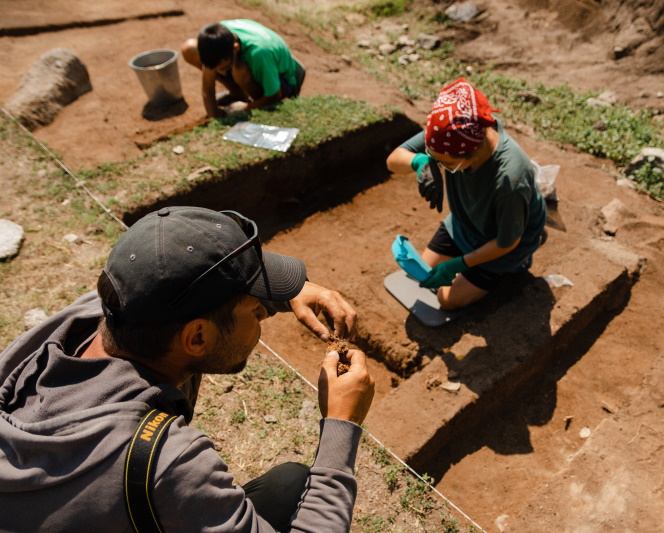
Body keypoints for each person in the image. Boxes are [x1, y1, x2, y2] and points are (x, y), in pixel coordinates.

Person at [0, 206, 374, 532]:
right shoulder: (169, 463)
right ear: (196, 338)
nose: (263, 310)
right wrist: (342, 425)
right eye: (253, 308)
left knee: (289, 483)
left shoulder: (94, 318)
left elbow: (173, 282)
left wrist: (284, 288)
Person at [386, 78, 547, 311]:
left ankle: (520, 259)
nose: (439, 165)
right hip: (466, 222)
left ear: (473, 152)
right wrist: (421, 161)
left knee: (446, 300)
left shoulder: (511, 178)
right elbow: (393, 160)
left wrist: (458, 265)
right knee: (425, 274)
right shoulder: (450, 130)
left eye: (446, 164)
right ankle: (471, 258)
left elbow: (506, 242)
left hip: (507, 241)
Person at [181, 19, 306, 118]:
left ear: (235, 48)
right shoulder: (217, 37)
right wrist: (214, 115)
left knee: (240, 72)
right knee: (189, 48)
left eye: (222, 67)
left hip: (283, 80)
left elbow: (274, 94)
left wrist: (246, 108)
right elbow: (208, 86)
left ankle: (258, 105)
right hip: (255, 63)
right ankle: (237, 94)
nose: (217, 71)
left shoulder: (259, 53)